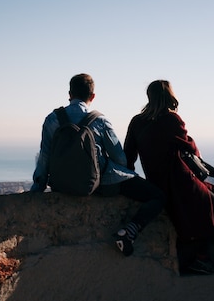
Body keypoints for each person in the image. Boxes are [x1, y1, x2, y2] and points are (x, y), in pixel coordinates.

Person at [31, 73, 165, 256]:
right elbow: (120, 159)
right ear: (92, 96)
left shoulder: (52, 119)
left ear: (70, 94)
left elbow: (45, 156)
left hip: (62, 184)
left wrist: (37, 189)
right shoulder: (100, 121)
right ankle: (129, 232)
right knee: (157, 196)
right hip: (103, 183)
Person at [123, 80, 214, 274]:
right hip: (179, 181)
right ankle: (202, 258)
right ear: (170, 95)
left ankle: (194, 257)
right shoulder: (171, 119)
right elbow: (193, 152)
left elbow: (128, 158)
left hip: (156, 184)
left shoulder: (136, 122)